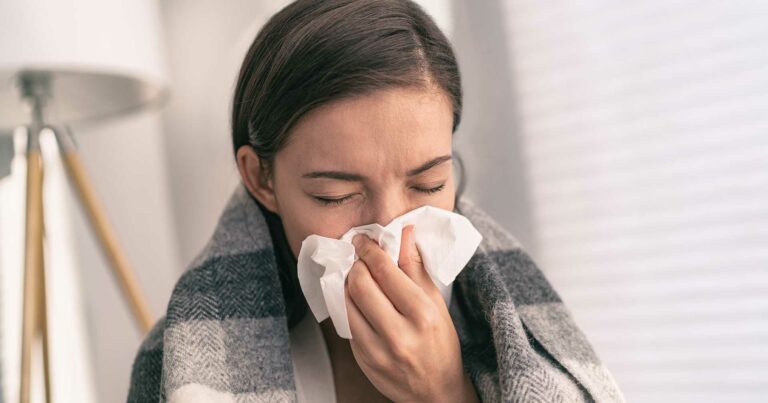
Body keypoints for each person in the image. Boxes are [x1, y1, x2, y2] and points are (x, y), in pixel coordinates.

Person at [127, 1, 625, 402]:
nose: (391, 233)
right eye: (336, 194)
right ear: (262, 179)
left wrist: (446, 392)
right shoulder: (176, 364)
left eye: (428, 185)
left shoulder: (525, 333)